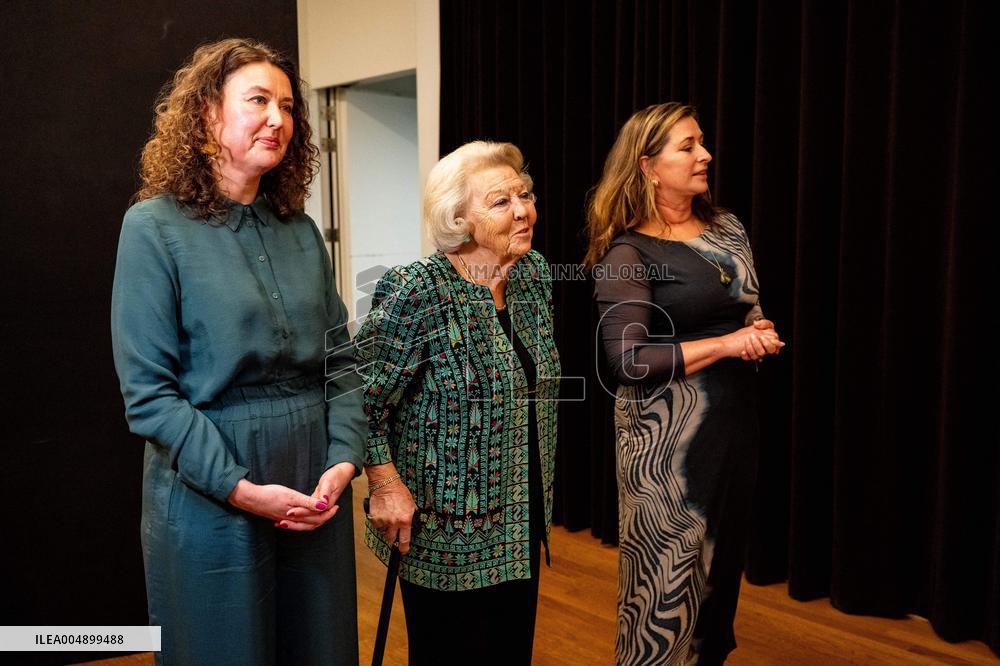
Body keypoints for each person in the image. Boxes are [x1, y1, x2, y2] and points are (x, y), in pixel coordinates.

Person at [111, 38, 365, 665]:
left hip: (314, 488)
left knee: (320, 649)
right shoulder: (152, 228)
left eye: (286, 105)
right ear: (206, 117)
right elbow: (149, 397)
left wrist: (343, 460)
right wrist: (242, 489)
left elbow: (342, 360)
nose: (277, 118)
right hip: (211, 485)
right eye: (257, 100)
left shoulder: (301, 230)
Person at [585, 102, 784, 665]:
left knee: (717, 591)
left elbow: (745, 308)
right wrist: (726, 345)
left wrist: (756, 328)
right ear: (648, 166)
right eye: (688, 146)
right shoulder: (628, 253)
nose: (706, 155)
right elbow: (627, 360)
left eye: (702, 142)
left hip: (733, 431)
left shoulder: (726, 228)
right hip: (666, 452)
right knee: (663, 598)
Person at [355, 141, 560, 665]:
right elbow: (363, 396)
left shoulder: (532, 275)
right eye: (500, 201)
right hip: (443, 530)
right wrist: (383, 483)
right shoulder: (416, 289)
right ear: (459, 217)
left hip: (520, 522)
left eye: (525, 194)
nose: (523, 210)